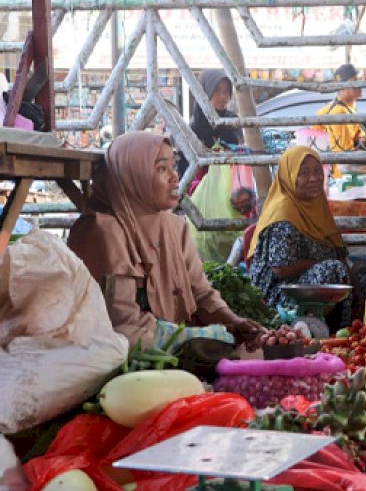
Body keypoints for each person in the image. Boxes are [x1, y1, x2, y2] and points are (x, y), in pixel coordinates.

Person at [67, 131, 265, 351]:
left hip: (174, 348)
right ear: (134, 176)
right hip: (125, 354)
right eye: (162, 168)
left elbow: (201, 293)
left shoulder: (175, 227)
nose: (174, 176)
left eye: (174, 165)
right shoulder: (102, 230)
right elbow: (121, 323)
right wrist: (191, 337)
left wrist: (232, 321)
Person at [247, 145, 366, 329]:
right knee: (331, 269)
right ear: (290, 176)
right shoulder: (284, 210)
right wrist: (320, 263)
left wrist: (355, 285)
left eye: (318, 171)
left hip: (311, 282)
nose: (315, 178)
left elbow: (338, 252)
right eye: (304, 173)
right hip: (280, 292)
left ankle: (348, 330)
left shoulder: (318, 206)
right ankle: (310, 329)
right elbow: (280, 268)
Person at [315, 63, 366, 179]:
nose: (360, 84)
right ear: (343, 86)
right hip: (345, 182)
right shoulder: (340, 113)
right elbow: (343, 158)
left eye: (360, 79)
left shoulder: (348, 108)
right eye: (355, 80)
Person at [191, 69, 244, 149]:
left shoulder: (232, 121)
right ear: (204, 92)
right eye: (216, 90)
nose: (223, 96)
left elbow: (239, 151)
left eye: (226, 91)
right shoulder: (193, 127)